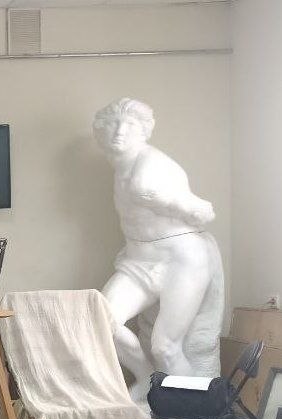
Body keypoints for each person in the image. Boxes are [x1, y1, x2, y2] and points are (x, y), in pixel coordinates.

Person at [94, 98, 224, 397]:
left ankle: (192, 410)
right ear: (101, 130)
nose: (120, 131)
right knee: (101, 321)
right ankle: (148, 379)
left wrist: (166, 200)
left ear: (143, 131)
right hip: (138, 260)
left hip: (181, 259)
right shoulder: (120, 167)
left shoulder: (152, 165)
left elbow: (201, 212)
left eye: (129, 125)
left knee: (165, 347)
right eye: (113, 124)